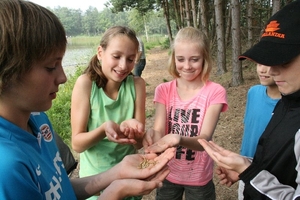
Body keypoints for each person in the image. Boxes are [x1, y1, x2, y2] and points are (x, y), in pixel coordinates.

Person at [0, 0, 176, 199]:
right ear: (7, 72)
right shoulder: (7, 166)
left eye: (130, 58)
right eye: (51, 66)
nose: (63, 77)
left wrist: (118, 173)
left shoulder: (38, 120)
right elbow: (78, 143)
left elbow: (62, 190)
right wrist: (115, 191)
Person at [198, 1, 300, 199]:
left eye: (284, 60)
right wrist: (247, 167)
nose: (271, 70)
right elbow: (280, 160)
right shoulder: (288, 101)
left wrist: (250, 172)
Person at [143, 27, 228, 200]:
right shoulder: (163, 90)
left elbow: (205, 138)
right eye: (180, 59)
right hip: (167, 171)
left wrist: (178, 139)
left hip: (199, 177)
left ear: (205, 58)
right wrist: (153, 136)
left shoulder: (215, 92)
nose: (187, 66)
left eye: (194, 59)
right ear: (173, 58)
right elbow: (159, 129)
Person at [71, 26, 146, 200]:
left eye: (130, 59)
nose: (123, 65)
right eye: (116, 56)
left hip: (129, 177)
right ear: (100, 52)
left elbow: (138, 144)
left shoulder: (137, 85)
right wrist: (104, 129)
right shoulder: (86, 84)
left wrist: (134, 131)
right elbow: (77, 144)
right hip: (95, 184)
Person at [238, 63, 280, 199]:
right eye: (260, 63)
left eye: (269, 64)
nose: (263, 69)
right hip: (245, 169)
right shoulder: (253, 92)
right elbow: (250, 129)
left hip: (272, 178)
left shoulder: (290, 107)